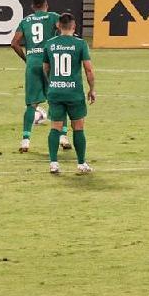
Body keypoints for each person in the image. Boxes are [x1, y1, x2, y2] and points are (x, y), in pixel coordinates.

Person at [11, 0, 69, 153]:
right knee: (58, 101)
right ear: (46, 5)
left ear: (32, 6)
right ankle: (63, 137)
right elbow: (64, 29)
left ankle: (25, 141)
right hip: (49, 63)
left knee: (31, 104)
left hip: (32, 63)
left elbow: (14, 43)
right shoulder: (53, 17)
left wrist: (27, 59)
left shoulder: (25, 21)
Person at [41, 13, 95, 175]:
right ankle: (81, 163)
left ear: (58, 26)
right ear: (74, 26)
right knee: (78, 127)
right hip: (74, 93)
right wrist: (92, 89)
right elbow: (88, 69)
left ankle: (53, 164)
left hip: (55, 91)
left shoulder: (49, 44)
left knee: (55, 127)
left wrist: (53, 83)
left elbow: (45, 67)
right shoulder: (80, 44)